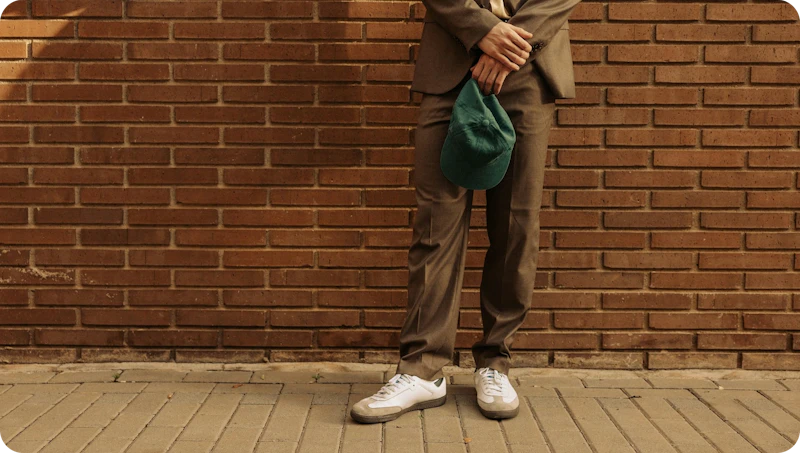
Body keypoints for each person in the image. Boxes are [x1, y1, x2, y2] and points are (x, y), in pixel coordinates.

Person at [350, 0, 582, 424]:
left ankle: (495, 363)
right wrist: (481, 30)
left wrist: (509, 45)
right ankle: (422, 370)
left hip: (530, 67)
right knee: (435, 226)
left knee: (515, 226)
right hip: (451, 63)